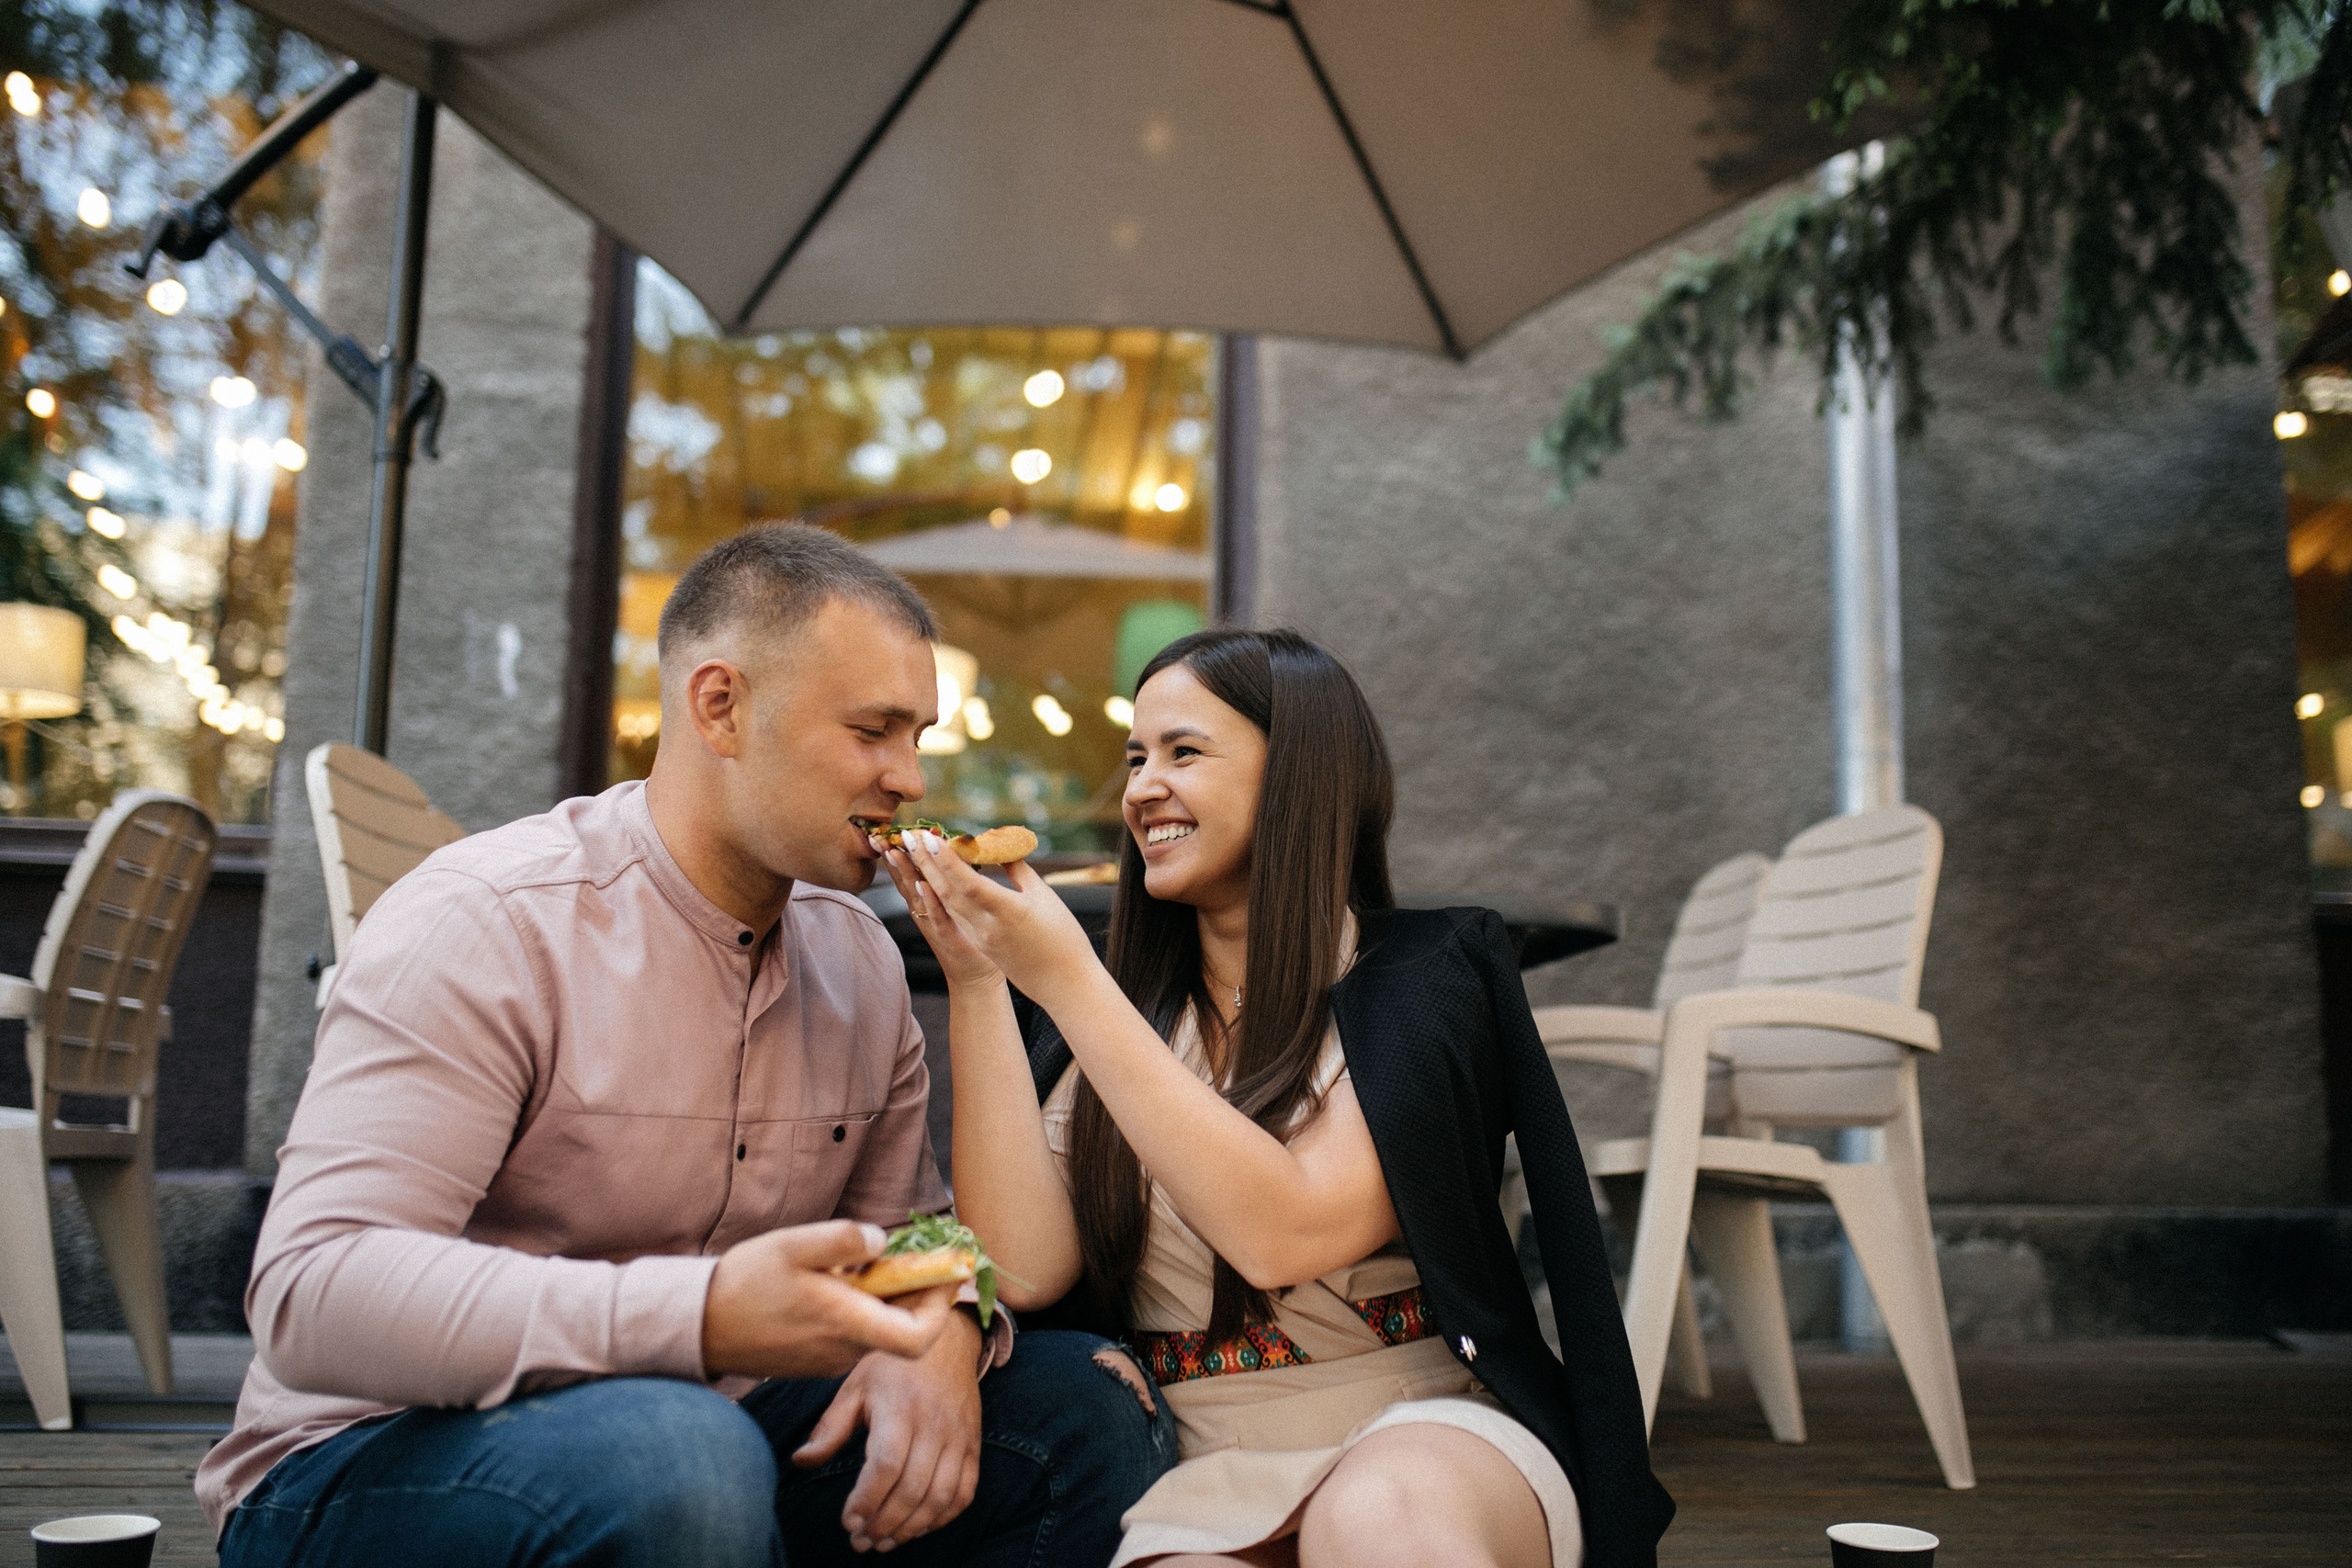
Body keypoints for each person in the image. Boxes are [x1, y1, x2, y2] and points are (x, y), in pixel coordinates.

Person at [198, 524, 1173, 1567]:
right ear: (720, 706)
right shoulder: (490, 921)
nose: (910, 779)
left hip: (723, 1437)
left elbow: (915, 1234)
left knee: (1085, 1405)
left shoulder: (857, 955)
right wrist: (701, 1317)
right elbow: (315, 1293)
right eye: (873, 731)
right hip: (382, 1456)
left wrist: (944, 1325)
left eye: (917, 737)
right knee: (680, 1454)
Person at [881, 628, 1675, 1568]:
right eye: (1135, 759)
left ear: (1298, 775)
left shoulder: (1422, 979)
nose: (1140, 789)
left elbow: (1284, 1233)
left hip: (1416, 1427)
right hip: (1203, 1461)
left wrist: (1068, 980)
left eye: (1183, 753)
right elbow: (1024, 1271)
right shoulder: (1116, 1018)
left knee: (1374, 1518)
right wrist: (978, 983)